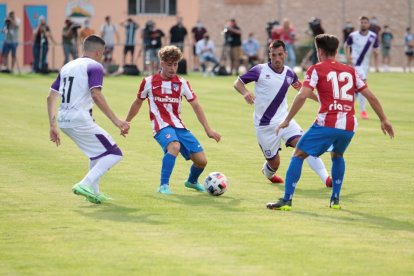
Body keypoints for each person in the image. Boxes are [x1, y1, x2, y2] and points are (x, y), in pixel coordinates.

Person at [267, 34, 394, 211]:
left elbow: (302, 95)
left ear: (320, 51)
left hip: (327, 123)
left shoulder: (315, 69)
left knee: (298, 155)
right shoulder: (350, 71)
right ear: (335, 51)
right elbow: (370, 96)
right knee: (337, 155)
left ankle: (287, 200)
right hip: (349, 125)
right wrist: (384, 119)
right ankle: (335, 199)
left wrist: (287, 120)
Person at [233, 40, 332, 188]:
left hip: (285, 120)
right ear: (269, 55)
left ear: (285, 54)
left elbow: (302, 90)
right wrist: (245, 93)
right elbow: (238, 83)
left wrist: (321, 100)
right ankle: (268, 173)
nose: (277, 59)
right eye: (273, 55)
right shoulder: (259, 70)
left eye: (280, 55)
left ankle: (326, 179)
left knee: (304, 144)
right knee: (274, 163)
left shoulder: (290, 73)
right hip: (264, 126)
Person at [123, 45, 221, 194]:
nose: (173, 68)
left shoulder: (182, 83)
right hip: (161, 126)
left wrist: (208, 129)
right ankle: (163, 186)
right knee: (174, 146)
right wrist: (127, 121)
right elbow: (138, 102)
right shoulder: (148, 81)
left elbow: (196, 105)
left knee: (201, 161)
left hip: (179, 126)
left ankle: (192, 182)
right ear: (161, 63)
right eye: (169, 64)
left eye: (175, 64)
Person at [47, 35, 130, 204]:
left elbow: (50, 97)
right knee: (115, 153)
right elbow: (96, 94)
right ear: (99, 52)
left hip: (64, 120)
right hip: (79, 119)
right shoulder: (95, 66)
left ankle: (94, 192)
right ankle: (84, 184)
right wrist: (116, 121)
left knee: (96, 154)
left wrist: (52, 126)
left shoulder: (67, 66)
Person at [345, 16, 379, 120]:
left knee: (357, 89)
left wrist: (376, 60)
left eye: (365, 22)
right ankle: (363, 111)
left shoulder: (373, 36)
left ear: (368, 24)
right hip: (356, 64)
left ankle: (347, 108)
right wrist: (348, 57)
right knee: (363, 87)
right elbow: (346, 45)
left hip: (365, 65)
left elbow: (376, 49)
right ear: (359, 23)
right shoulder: (353, 35)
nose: (363, 24)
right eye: (362, 22)